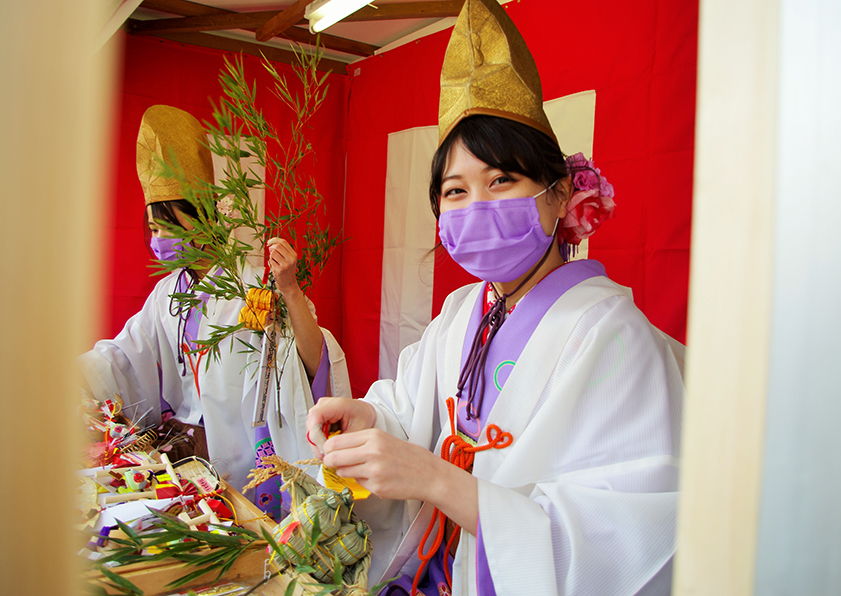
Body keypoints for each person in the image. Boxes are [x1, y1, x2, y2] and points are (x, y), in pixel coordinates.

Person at [304, 1, 684, 594]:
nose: (476, 206)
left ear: (560, 195)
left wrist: (435, 480)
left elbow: (626, 533)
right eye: (455, 191)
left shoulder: (612, 334)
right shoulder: (461, 313)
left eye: (501, 180)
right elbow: (415, 410)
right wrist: (371, 417)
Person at [80, 105, 350, 517]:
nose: (158, 241)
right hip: (182, 457)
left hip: (246, 459)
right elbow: (121, 359)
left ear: (203, 217)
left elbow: (310, 366)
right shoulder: (168, 293)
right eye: (152, 229)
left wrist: (291, 291)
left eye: (166, 226)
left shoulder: (254, 287)